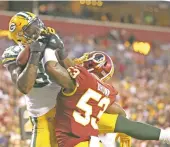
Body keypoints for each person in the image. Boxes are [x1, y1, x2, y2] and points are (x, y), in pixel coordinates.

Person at [2, 11, 129, 147]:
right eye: (32, 28)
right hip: (44, 120)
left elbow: (74, 73)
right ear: (20, 36)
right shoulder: (13, 53)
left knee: (116, 115)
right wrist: (35, 53)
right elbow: (24, 86)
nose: (38, 29)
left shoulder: (49, 43)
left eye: (37, 24)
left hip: (70, 115)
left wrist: (61, 50)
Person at [43, 49, 170, 147]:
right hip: (90, 133)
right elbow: (119, 113)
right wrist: (124, 130)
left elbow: (56, 66)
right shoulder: (107, 90)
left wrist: (49, 46)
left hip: (73, 137)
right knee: (117, 122)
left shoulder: (81, 79)